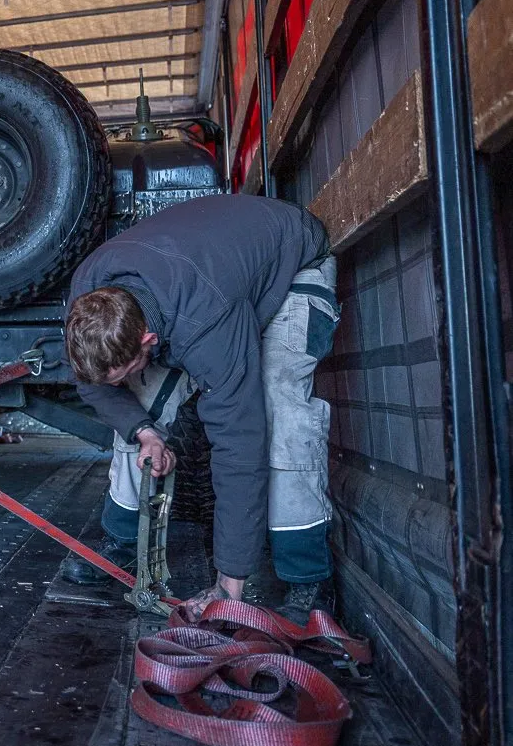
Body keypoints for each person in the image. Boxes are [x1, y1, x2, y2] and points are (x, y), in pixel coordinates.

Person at [59, 194, 340, 624]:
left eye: (122, 370)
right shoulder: (90, 297)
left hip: (290, 267)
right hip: (207, 277)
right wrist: (145, 432)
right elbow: (94, 385)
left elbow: (239, 444)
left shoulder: (205, 325)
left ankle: (307, 577)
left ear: (147, 342)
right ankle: (122, 541)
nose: (114, 382)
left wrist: (228, 587)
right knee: (137, 406)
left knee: (282, 415)